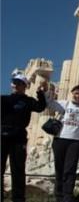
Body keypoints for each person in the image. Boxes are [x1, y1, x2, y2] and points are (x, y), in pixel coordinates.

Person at [1, 74, 47, 202]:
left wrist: (40, 94)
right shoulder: (4, 100)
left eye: (18, 83)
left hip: (19, 136)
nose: (15, 85)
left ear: (24, 86)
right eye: (14, 82)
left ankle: (18, 199)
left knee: (18, 169)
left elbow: (40, 107)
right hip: (2, 135)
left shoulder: (28, 101)